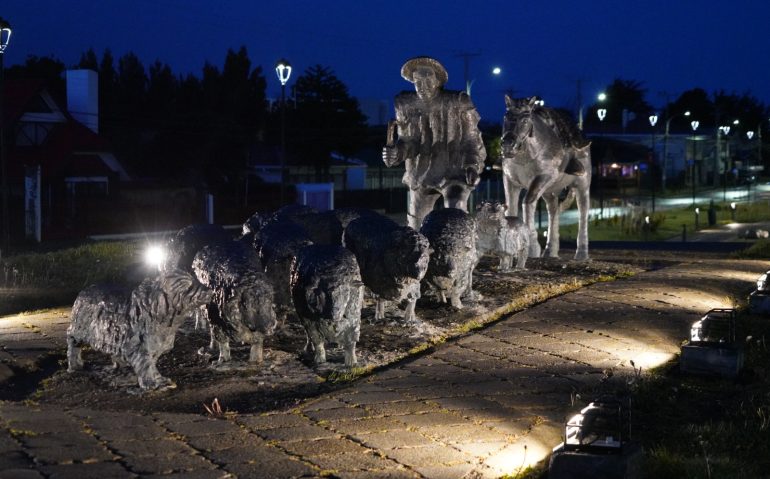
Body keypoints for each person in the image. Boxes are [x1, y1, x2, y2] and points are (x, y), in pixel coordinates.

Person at [383, 56, 486, 230]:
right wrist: (397, 153)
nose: (422, 85)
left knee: (455, 207)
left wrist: (472, 165)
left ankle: (462, 250)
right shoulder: (405, 104)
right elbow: (408, 141)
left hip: (454, 171)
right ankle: (421, 255)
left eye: (428, 79)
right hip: (421, 173)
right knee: (416, 227)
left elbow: (472, 139)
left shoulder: (458, 101)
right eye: (417, 81)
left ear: (438, 80)